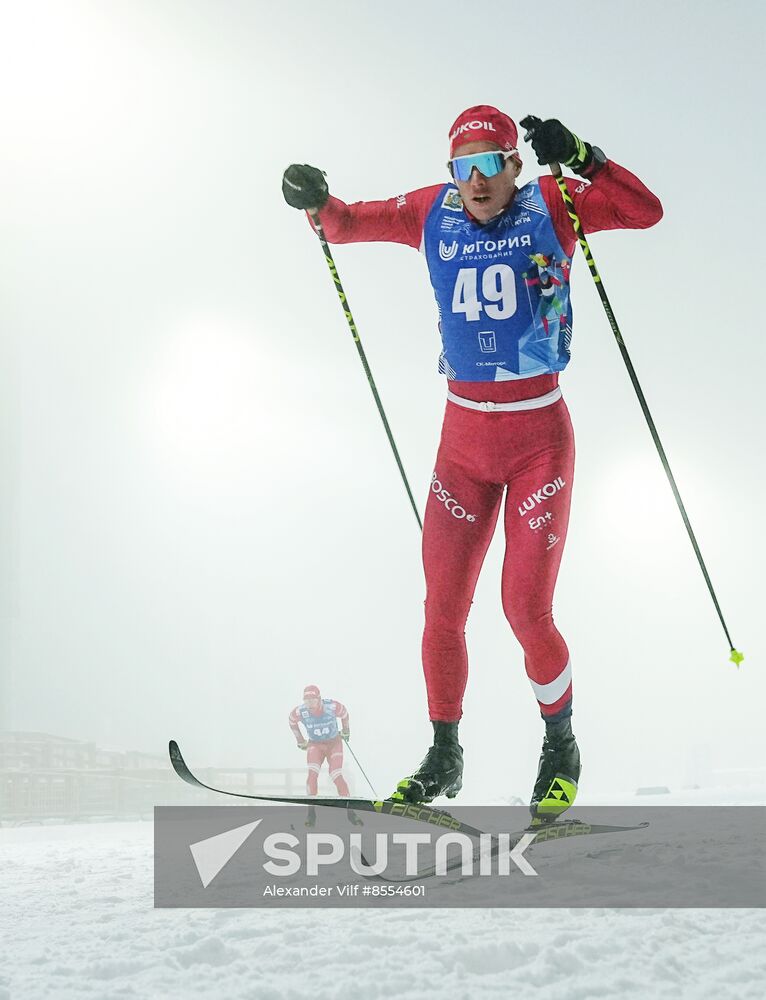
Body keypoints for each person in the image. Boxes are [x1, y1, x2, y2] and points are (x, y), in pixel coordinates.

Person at [282, 107, 663, 821]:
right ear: (449, 173)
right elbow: (345, 224)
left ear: (516, 164)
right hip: (461, 445)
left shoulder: (552, 202)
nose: (479, 181)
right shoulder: (432, 213)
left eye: (493, 164)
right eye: (465, 168)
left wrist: (585, 155)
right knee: (442, 609)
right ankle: (444, 750)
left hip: (537, 439)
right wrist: (315, 199)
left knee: (524, 606)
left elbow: (645, 211)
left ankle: (560, 746)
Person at [288, 684, 360, 826]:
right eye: (306, 699)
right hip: (315, 745)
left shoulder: (331, 707)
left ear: (319, 698)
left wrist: (346, 730)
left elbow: (344, 713)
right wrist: (300, 741)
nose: (309, 703)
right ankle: (311, 814)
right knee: (312, 774)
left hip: (334, 743)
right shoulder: (300, 712)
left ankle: (350, 812)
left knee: (335, 773)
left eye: (312, 699)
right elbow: (291, 721)